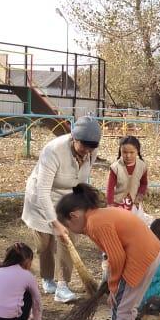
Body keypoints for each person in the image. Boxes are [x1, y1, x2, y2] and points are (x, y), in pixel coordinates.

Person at [55, 184, 160, 320]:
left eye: (68, 226)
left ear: (74, 216)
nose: (70, 230)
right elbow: (114, 255)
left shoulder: (96, 223)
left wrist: (113, 287)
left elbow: (117, 258)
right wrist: (113, 284)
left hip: (139, 259)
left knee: (121, 309)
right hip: (146, 255)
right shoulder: (97, 217)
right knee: (123, 307)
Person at [21, 116, 101, 304]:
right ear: (74, 138)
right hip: (41, 197)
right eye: (84, 146)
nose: (87, 150)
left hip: (67, 198)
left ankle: (63, 286)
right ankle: (47, 278)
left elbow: (81, 180)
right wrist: (54, 222)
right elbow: (42, 191)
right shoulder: (53, 151)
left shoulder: (91, 150)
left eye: (91, 147)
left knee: (67, 239)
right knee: (45, 244)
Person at [105, 136, 149, 210]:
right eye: (124, 152)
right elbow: (110, 188)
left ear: (137, 151)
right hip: (118, 205)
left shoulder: (142, 166)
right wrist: (110, 204)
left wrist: (140, 194)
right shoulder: (115, 167)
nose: (128, 156)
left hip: (135, 203)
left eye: (132, 152)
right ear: (120, 151)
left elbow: (144, 183)